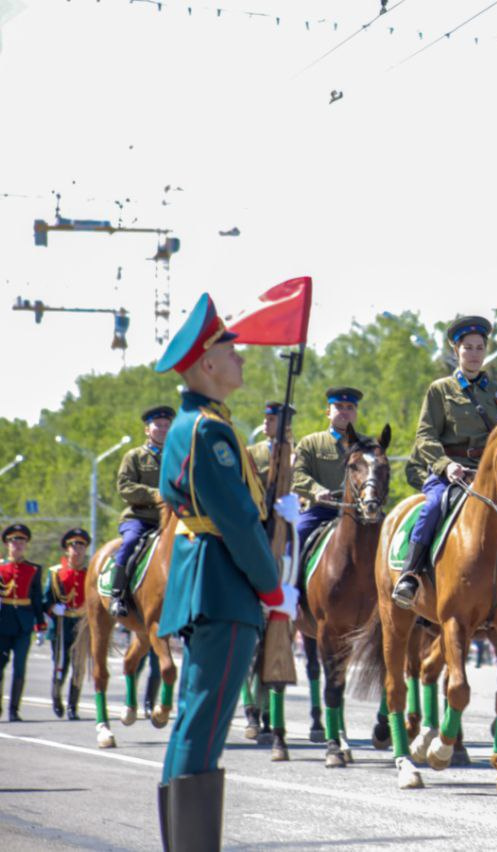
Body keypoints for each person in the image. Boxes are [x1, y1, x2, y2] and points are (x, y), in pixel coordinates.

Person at [153, 292, 298, 850]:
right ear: (207, 365)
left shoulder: (205, 424)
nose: (241, 359)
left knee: (197, 720)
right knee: (206, 724)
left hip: (209, 581)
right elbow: (237, 522)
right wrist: (272, 587)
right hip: (223, 583)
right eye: (230, 351)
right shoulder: (208, 431)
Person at [392, 315, 497, 618]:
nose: (474, 354)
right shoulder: (440, 390)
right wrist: (445, 465)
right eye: (468, 348)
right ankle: (411, 576)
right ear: (456, 351)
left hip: (492, 476)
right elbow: (425, 436)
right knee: (434, 506)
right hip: (451, 472)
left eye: (480, 348)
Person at [109, 405, 174, 618]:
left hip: (172, 520)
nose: (163, 429)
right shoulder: (134, 456)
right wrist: (155, 495)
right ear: (147, 429)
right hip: (140, 518)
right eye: (158, 425)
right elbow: (125, 487)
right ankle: (117, 594)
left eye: (167, 425)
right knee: (129, 542)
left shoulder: (178, 457)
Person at [292, 387, 366, 556]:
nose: (345, 412)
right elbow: (296, 474)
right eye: (339, 406)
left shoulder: (367, 446)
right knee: (296, 536)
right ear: (328, 412)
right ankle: (289, 581)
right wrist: (316, 490)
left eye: (350, 407)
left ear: (356, 413)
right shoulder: (310, 443)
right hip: (322, 511)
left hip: (361, 513)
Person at [1, 524, 46, 721]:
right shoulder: (1, 567)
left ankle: (14, 710)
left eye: (21, 541)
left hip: (23, 624)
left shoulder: (33, 569)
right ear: (6, 544)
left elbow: (36, 599)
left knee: (20, 667)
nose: (17, 544)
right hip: (2, 623)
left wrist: (41, 625)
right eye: (13, 541)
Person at [46, 527, 91, 720]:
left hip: (81, 624)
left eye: (81, 545)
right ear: (67, 549)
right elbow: (45, 599)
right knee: (60, 664)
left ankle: (73, 706)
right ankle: (56, 697)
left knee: (79, 666)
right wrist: (53, 608)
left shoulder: (90, 574)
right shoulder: (56, 573)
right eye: (73, 545)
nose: (77, 549)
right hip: (62, 624)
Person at [246, 401, 295, 481]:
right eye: (265, 418)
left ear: (285, 423)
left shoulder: (296, 451)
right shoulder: (251, 452)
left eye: (271, 419)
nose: (266, 422)